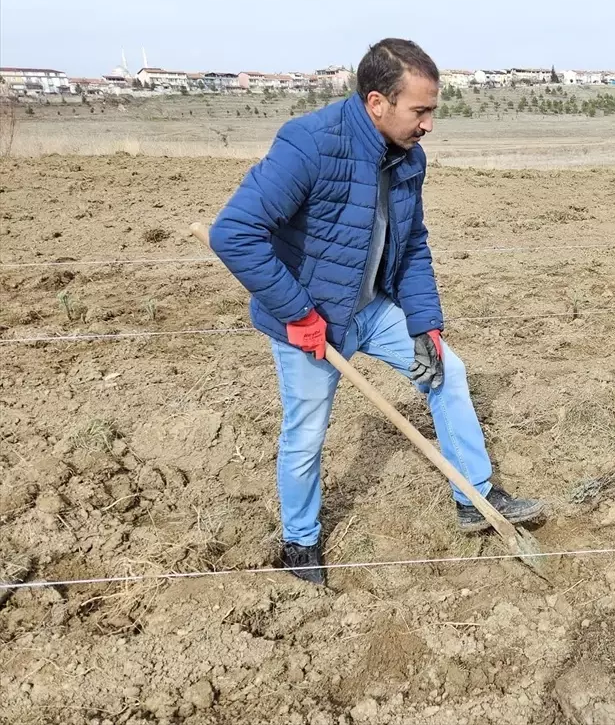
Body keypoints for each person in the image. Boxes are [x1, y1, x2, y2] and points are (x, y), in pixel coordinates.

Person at [210, 38, 544, 586]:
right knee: (306, 431)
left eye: (432, 110)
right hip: (309, 318)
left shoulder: (409, 157)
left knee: (447, 373)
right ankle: (301, 541)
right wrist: (297, 312)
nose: (429, 124)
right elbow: (235, 233)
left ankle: (474, 497)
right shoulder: (309, 143)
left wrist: (424, 323)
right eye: (421, 110)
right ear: (376, 103)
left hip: (369, 307)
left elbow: (411, 245)